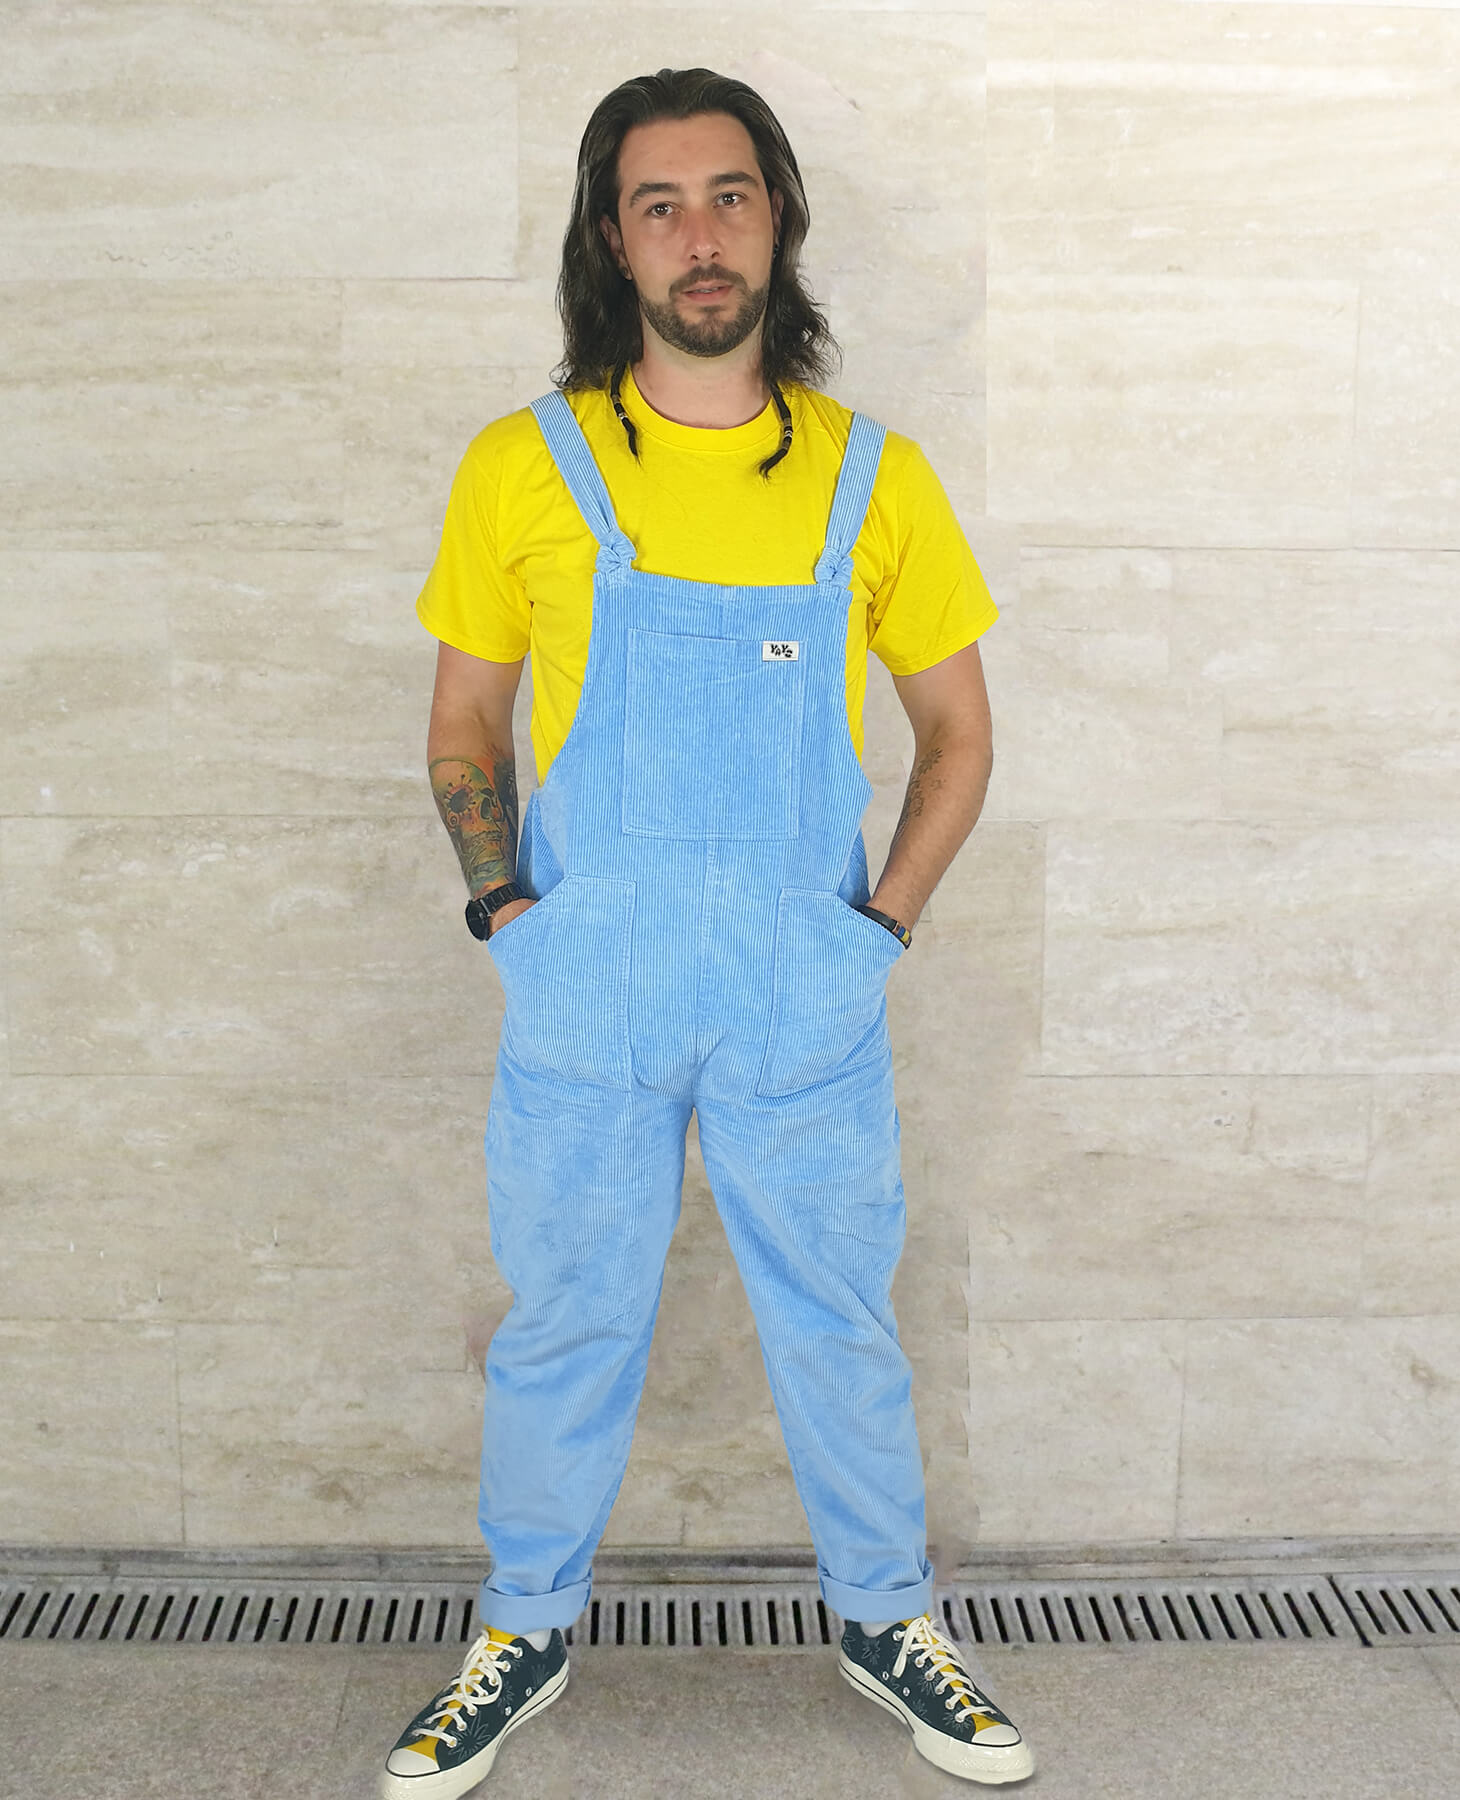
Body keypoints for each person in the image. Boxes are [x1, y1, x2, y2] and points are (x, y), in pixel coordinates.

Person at [379, 66, 1033, 1798]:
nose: (697, 234)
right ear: (613, 237)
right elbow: (465, 727)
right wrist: (508, 910)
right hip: (588, 980)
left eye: (728, 195)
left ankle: (892, 1621)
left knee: (839, 1318)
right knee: (566, 1321)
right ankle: (520, 1633)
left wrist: (872, 936)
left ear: (779, 217)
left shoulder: (871, 479)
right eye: (657, 203)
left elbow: (961, 739)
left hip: (797, 988)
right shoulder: (522, 469)